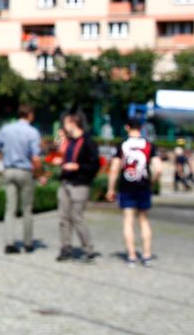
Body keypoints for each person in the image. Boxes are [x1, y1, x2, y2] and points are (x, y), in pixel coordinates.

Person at [106, 118, 161, 267]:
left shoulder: (122, 145)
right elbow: (158, 168)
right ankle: (147, 255)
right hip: (143, 186)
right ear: (142, 127)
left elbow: (115, 168)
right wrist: (152, 182)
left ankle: (131, 256)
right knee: (144, 220)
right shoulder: (149, 145)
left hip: (126, 186)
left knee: (128, 221)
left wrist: (111, 188)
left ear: (127, 127)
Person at [0, 104, 43, 254]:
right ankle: (27, 243)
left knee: (10, 209)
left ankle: (9, 243)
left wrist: (4, 163)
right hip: (24, 170)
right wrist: (40, 173)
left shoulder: (6, 129)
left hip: (9, 170)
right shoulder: (33, 132)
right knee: (27, 208)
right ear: (29, 115)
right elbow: (35, 157)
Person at [57, 113, 100, 262]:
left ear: (75, 123)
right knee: (63, 217)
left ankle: (88, 249)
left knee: (77, 217)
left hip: (80, 183)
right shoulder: (69, 141)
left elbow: (95, 165)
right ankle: (65, 248)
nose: (64, 126)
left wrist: (78, 166)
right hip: (66, 182)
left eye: (67, 123)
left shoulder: (88, 142)